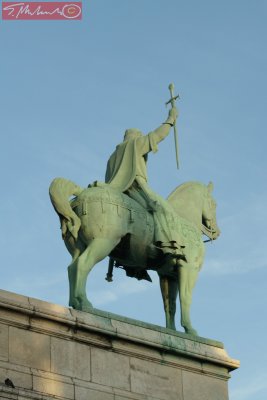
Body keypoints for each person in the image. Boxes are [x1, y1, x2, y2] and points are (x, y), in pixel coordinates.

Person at [105, 107, 185, 260]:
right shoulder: (134, 145)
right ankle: (168, 246)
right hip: (135, 186)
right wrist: (171, 119)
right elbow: (157, 136)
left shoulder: (112, 156)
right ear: (135, 137)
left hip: (116, 191)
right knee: (160, 209)